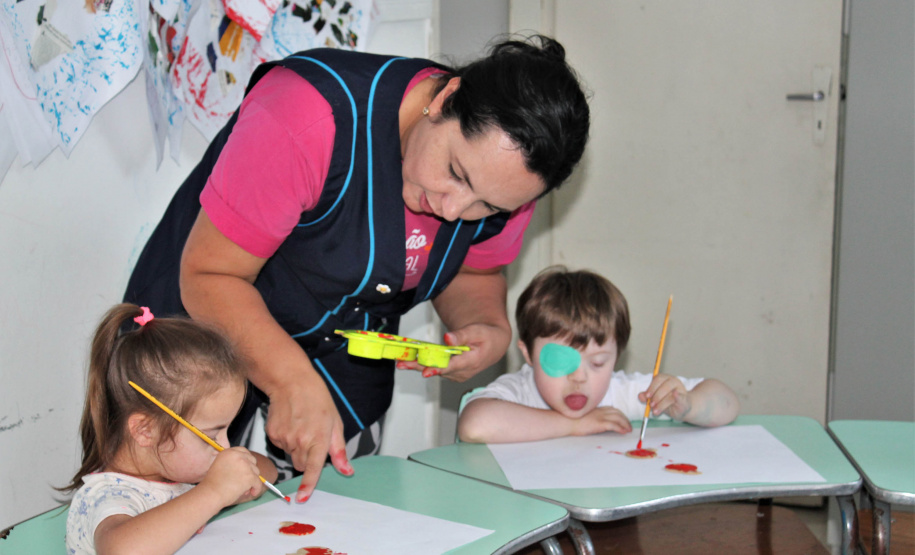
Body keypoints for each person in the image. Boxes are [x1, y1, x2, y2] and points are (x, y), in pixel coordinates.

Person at [123, 34, 590, 502]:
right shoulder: (307, 115)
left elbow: (473, 270)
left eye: (486, 205)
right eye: (456, 173)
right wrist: (289, 379)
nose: (454, 211)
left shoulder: (508, 184)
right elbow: (211, 276)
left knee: (329, 515)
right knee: (179, 511)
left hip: (342, 347)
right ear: (445, 98)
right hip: (202, 324)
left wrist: (484, 324)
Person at [61, 304, 278, 555]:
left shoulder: (180, 470)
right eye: (210, 436)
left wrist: (235, 476)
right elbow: (122, 551)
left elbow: (268, 472)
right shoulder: (109, 496)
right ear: (145, 430)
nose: (224, 446)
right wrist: (214, 493)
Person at [457, 267, 740, 443]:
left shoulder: (622, 395)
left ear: (616, 358)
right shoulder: (520, 390)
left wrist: (688, 405)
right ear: (528, 355)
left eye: (598, 362)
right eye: (560, 360)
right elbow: (474, 425)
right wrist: (576, 425)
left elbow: (728, 402)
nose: (579, 377)